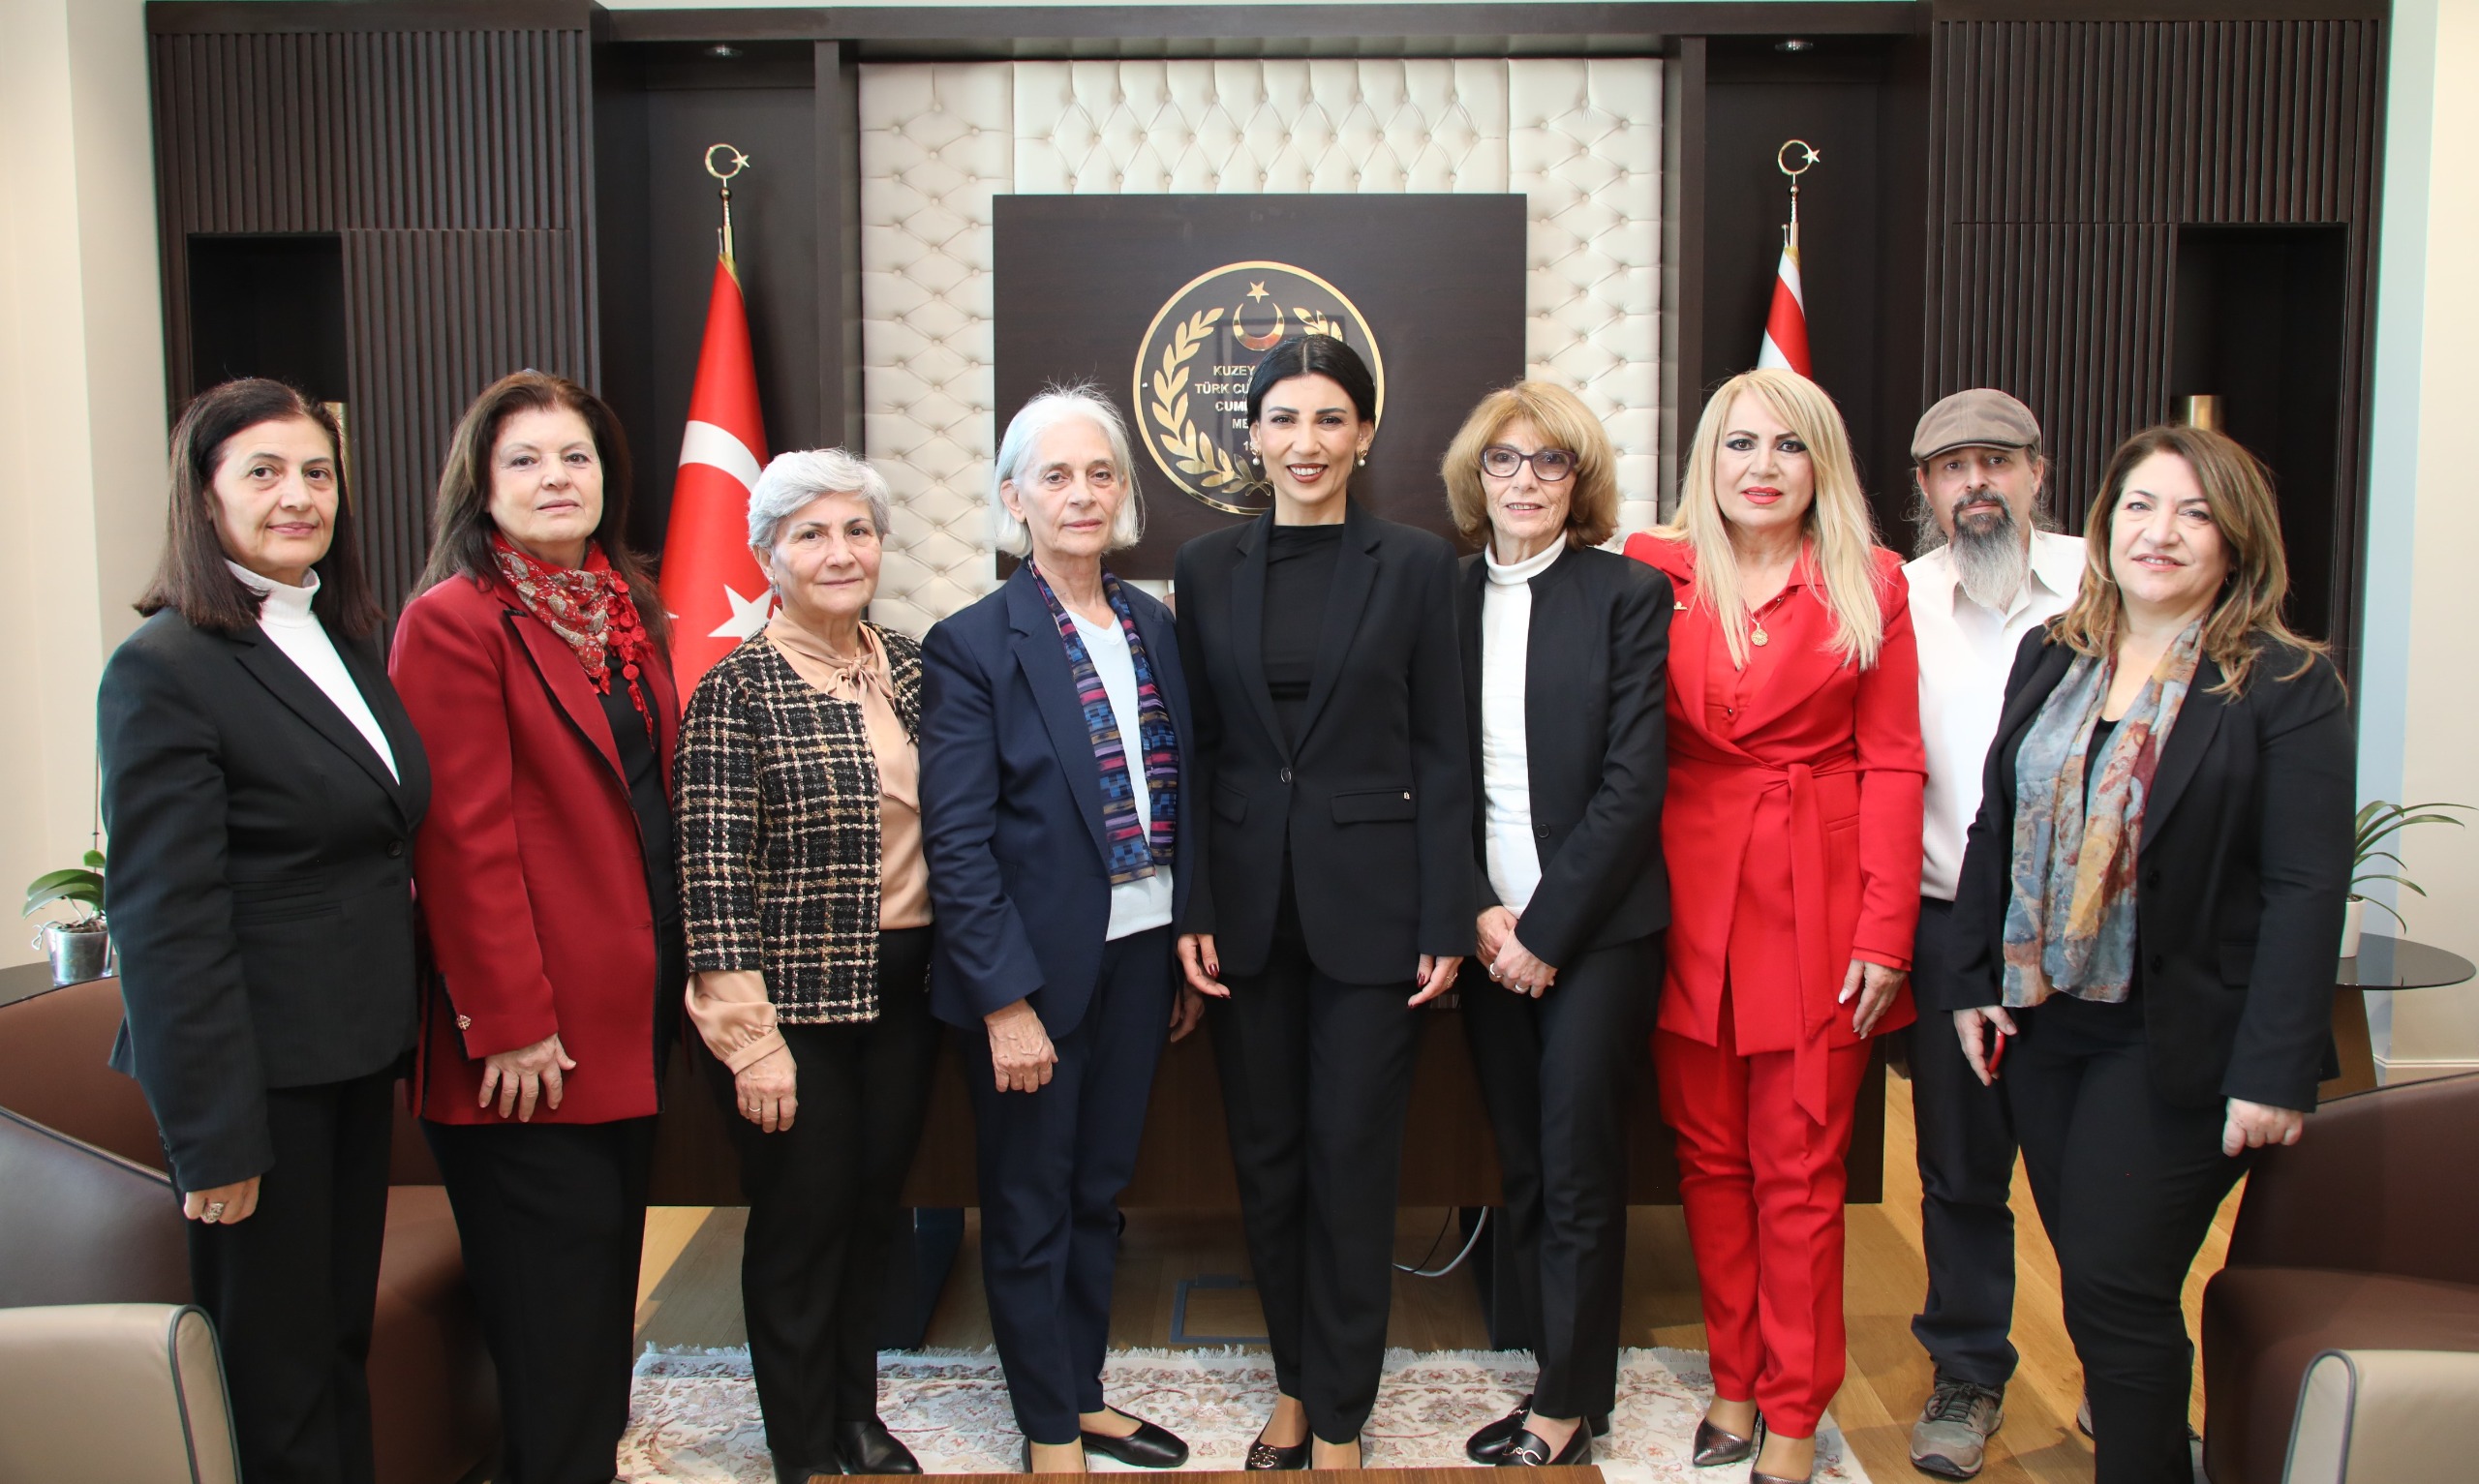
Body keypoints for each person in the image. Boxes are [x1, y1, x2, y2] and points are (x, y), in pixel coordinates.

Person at [1948, 424, 2349, 1484]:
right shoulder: (2055, 653)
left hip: (2182, 1036)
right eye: (2139, 506)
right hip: (2046, 1024)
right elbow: (1997, 825)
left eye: (2193, 513)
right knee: (2097, 1284)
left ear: (2236, 539)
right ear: (2106, 523)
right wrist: (1971, 980)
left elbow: (2307, 887)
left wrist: (2272, 1070)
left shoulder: (2282, 682)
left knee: (2117, 1287)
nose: (2159, 532)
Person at [99, 378, 429, 1484]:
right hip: (256, 1084)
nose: (300, 496)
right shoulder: (163, 669)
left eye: (318, 473)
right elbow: (165, 920)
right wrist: (215, 1137)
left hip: (350, 1055)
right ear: (204, 497)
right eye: (265, 473)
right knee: (277, 1383)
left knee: (335, 1347)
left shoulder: (334, 636)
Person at [1174, 334, 1474, 1470]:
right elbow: (1200, 750)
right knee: (1268, 1161)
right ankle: (1293, 1383)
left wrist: (1445, 915)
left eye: (1329, 419)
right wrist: (1195, 901)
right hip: (1246, 913)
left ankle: (1341, 1413)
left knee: (1352, 1164)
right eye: (1284, 419)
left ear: (1363, 434)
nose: (1306, 442)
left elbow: (1442, 750)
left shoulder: (1416, 564)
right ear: (1252, 435)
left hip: (1375, 913)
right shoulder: (1205, 566)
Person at [1622, 368, 1925, 1484]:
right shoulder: (1651, 570)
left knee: (1798, 1166)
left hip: (1818, 895)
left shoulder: (1870, 581)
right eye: (1739, 443)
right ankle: (1734, 1378)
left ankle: (1796, 1407)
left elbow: (1893, 760)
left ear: (1820, 465)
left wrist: (1884, 934)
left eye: (1788, 446)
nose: (1761, 467)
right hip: (1682, 891)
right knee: (1708, 1156)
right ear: (1706, 460)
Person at [389, 371, 682, 1484]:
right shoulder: (453, 621)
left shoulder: (621, 606)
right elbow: (458, 841)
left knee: (599, 1301)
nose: (557, 477)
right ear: (480, 485)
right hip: (527, 1041)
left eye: (576, 456)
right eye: (525, 460)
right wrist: (508, 1021)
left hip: (625, 1017)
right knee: (553, 1327)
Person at [919, 386, 1198, 1474]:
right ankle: (1046, 1430)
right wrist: (1003, 1001)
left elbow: (1184, 798)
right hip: (1031, 975)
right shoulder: (972, 644)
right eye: (1056, 476)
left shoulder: (1154, 626)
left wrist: (1182, 945)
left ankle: (1081, 1393)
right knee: (1030, 1202)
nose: (1082, 494)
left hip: (1141, 953)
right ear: (1014, 499)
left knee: (1097, 1192)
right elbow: (957, 840)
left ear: (1123, 494)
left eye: (1100, 474)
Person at [675, 449, 939, 1483]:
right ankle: (798, 1444)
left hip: (908, 995)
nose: (840, 553)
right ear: (767, 557)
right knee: (800, 1226)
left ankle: (855, 1417)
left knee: (874, 1218)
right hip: (794, 1009)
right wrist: (751, 1042)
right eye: (811, 535)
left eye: (856, 530)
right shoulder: (734, 691)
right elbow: (711, 880)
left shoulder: (912, 666)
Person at [1444, 381, 1671, 1469]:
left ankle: (1565, 1409)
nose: (1525, 480)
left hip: (1597, 932)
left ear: (1578, 482)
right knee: (1526, 1163)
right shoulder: (1440, 597)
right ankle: (1558, 1368)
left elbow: (1634, 785)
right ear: (1475, 476)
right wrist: (1477, 913)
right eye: (1504, 459)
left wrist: (1543, 931)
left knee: (1578, 1161)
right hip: (1487, 931)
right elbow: (1425, 776)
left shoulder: (1627, 594)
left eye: (1550, 461)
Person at [1897, 390, 2087, 1478]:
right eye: (1952, 466)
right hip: (1947, 927)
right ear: (1925, 489)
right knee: (1960, 1166)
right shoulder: (1899, 599)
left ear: (2036, 474)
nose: (1977, 483)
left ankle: (2118, 1367)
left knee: (2092, 1167)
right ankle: (1967, 1370)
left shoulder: (2105, 581)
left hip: (2081, 936)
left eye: (1997, 461)